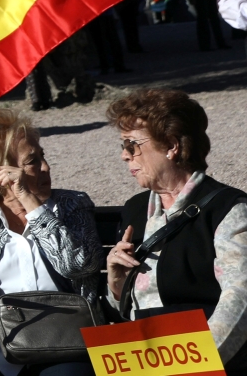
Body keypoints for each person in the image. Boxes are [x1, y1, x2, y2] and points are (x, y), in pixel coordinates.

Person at [0, 108, 102, 376]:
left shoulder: (72, 205)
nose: (46, 168)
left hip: (67, 343)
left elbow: (79, 265)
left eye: (43, 157)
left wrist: (30, 202)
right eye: (33, 161)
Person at [105, 89, 247, 371]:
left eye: (132, 145)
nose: (124, 156)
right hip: (142, 360)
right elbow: (123, 310)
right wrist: (117, 284)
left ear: (171, 145)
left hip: (200, 361)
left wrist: (194, 365)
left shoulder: (228, 210)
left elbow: (240, 300)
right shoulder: (135, 209)